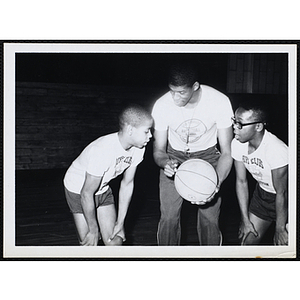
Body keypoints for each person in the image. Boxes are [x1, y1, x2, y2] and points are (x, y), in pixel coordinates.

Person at [151, 63, 233, 245]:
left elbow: (227, 152)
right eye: (172, 91)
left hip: (208, 156)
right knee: (169, 217)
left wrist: (215, 184)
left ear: (195, 86)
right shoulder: (162, 105)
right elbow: (158, 150)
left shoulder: (219, 101)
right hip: (174, 156)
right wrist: (165, 163)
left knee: (210, 220)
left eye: (181, 92)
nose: (174, 97)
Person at [63, 104, 153, 246]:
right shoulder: (103, 151)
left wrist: (120, 222)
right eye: (146, 131)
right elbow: (86, 193)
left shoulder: (138, 147)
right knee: (88, 243)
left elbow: (127, 184)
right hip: (78, 189)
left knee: (115, 241)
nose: (150, 136)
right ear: (130, 130)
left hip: (102, 188)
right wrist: (93, 230)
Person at [231, 102, 288, 245]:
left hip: (288, 199)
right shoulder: (237, 143)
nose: (234, 127)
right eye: (234, 121)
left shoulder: (276, 149)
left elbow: (282, 192)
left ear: (258, 126)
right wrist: (245, 219)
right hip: (262, 195)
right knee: (246, 242)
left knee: (284, 248)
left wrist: (280, 228)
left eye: (240, 124)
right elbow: (241, 181)